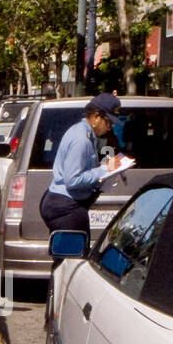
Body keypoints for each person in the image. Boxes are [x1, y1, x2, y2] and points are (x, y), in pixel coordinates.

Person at [39, 94, 129, 244]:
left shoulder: (84, 134)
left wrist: (104, 170)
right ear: (96, 117)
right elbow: (73, 180)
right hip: (66, 208)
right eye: (108, 122)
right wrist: (105, 169)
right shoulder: (81, 140)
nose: (110, 127)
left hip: (64, 204)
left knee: (69, 258)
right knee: (72, 259)